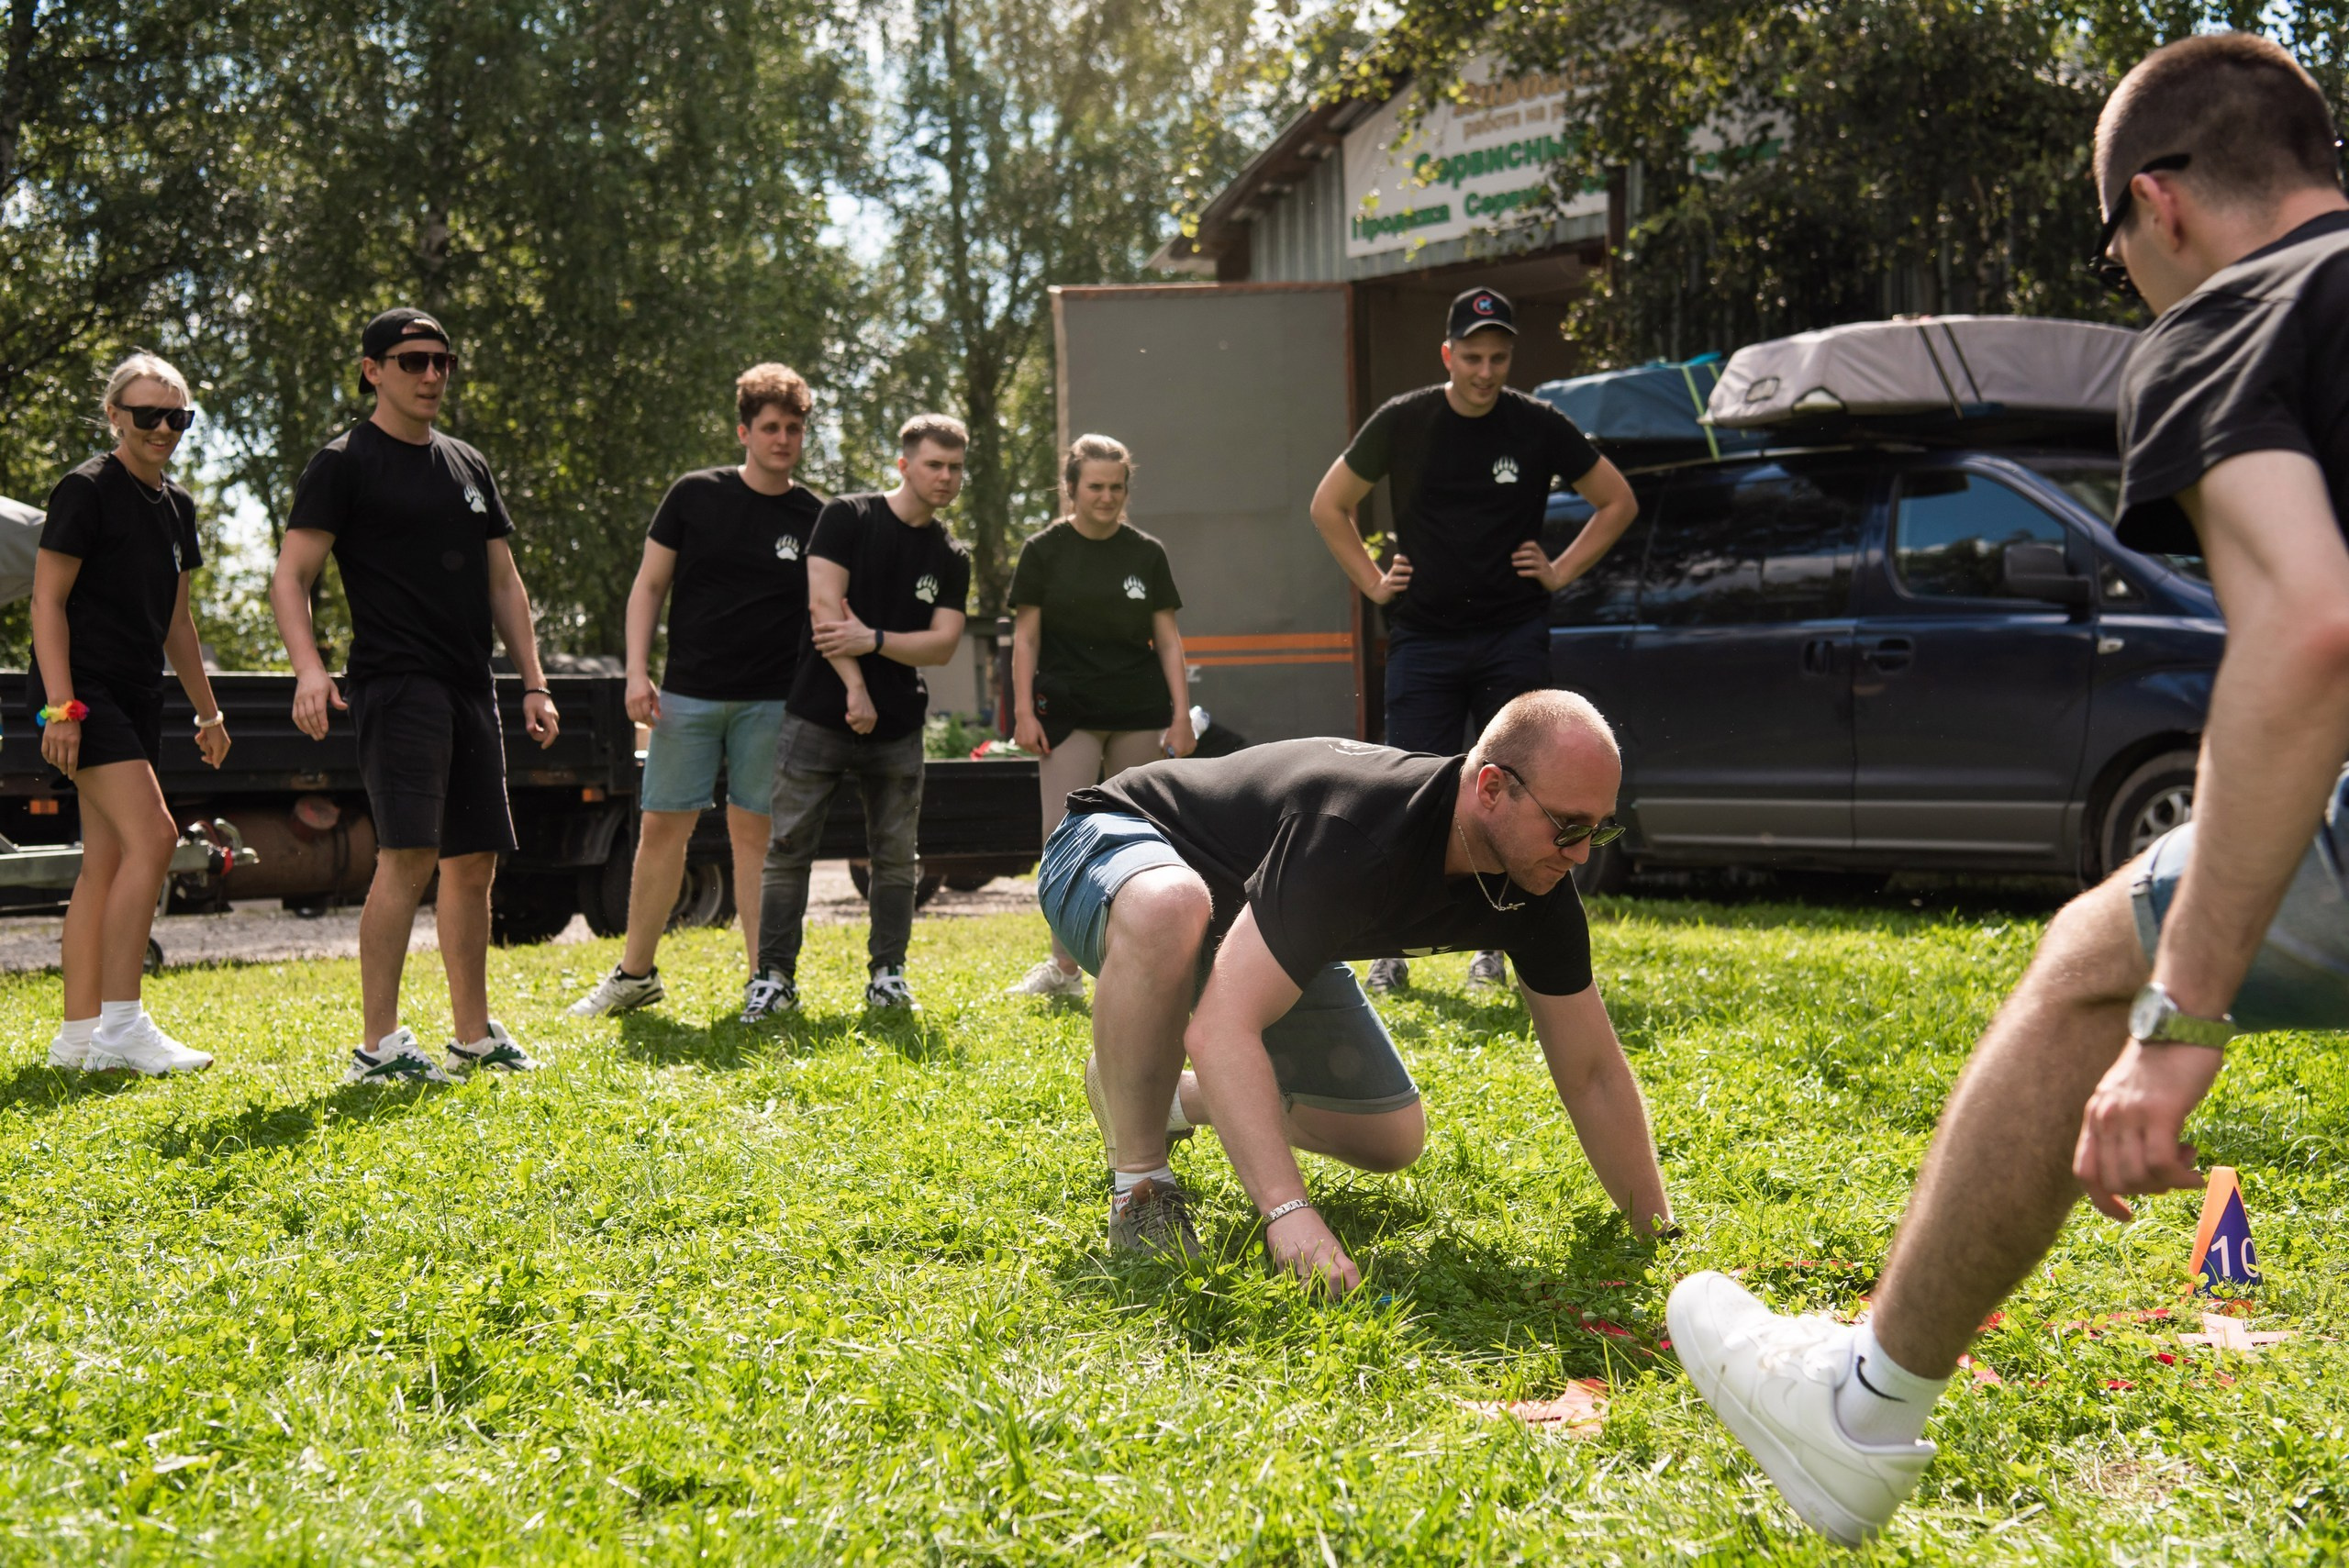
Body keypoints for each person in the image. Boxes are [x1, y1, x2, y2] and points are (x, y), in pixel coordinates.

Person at [1667, 34, 2349, 1547]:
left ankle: (1861, 1404)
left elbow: (2307, 628)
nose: (2128, 277)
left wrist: (2183, 1015)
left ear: (2157, 205)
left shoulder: (2237, 318)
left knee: (2089, 960)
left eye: (2112, 249)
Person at [1042, 689, 1673, 1279]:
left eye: (1600, 829)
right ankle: (1142, 1184)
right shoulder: (1358, 830)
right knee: (1171, 904)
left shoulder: (1538, 886)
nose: (1583, 854)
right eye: (1568, 826)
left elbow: (1592, 1071)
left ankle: (1151, 1089)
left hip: (1251, 917)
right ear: (1491, 788)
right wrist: (1288, 1214)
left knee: (1388, 1134)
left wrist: (1657, 1232)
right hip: (1117, 841)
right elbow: (1220, 1029)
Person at [1310, 286, 1639, 995]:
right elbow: (1328, 504)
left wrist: (1559, 570)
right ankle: (1389, 943)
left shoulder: (1537, 426)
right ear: (1447, 354)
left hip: (1510, 633)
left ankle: (1498, 942)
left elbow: (1617, 500)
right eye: (1472, 356)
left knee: (1522, 790)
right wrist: (1372, 583)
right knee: (1410, 786)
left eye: (1497, 357)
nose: (1485, 371)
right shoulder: (1404, 420)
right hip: (1424, 635)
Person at [271, 307, 562, 1084]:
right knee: (408, 856)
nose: (432, 375)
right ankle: (379, 1046)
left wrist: (531, 681)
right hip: (396, 684)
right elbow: (291, 575)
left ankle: (473, 1035)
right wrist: (309, 668)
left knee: (474, 863)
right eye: (413, 361)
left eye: (443, 361)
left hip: (473, 685)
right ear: (373, 369)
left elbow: (504, 580)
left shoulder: (468, 464)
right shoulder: (344, 463)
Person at [569, 365, 822, 1018]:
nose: (783, 439)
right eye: (770, 427)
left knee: (755, 839)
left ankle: (765, 983)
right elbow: (648, 586)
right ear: (744, 430)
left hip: (774, 702)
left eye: (794, 428)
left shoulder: (814, 516)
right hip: (687, 696)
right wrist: (634, 671)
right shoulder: (694, 495)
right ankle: (634, 974)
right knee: (661, 831)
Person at [31, 352, 230, 1075]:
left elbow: (177, 622)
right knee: (156, 836)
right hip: (82, 691)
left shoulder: (177, 508)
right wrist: (61, 707)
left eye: (177, 417)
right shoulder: (85, 490)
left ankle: (78, 1037)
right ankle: (123, 1023)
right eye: (148, 414)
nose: (163, 428)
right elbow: (46, 602)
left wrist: (208, 714)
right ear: (115, 414)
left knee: (106, 862)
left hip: (139, 691)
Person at [740, 414, 973, 1019]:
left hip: (899, 727)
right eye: (933, 464)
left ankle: (888, 977)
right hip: (818, 714)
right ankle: (772, 980)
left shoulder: (951, 555)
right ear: (904, 465)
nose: (945, 477)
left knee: (896, 857)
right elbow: (824, 611)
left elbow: (943, 644)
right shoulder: (848, 516)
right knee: (788, 848)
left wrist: (869, 638)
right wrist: (856, 686)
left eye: (954, 467)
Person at [1004, 433, 1195, 999]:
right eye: (1095, 487)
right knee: (1061, 833)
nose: (1106, 497)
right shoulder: (1043, 552)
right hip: (1065, 712)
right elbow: (1026, 637)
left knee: (1137, 834)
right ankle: (1064, 968)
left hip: (1138, 709)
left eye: (1116, 487)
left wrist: (1181, 716)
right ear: (1071, 489)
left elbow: (1168, 640)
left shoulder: (1146, 553)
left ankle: (1137, 958)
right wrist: (1020, 710)